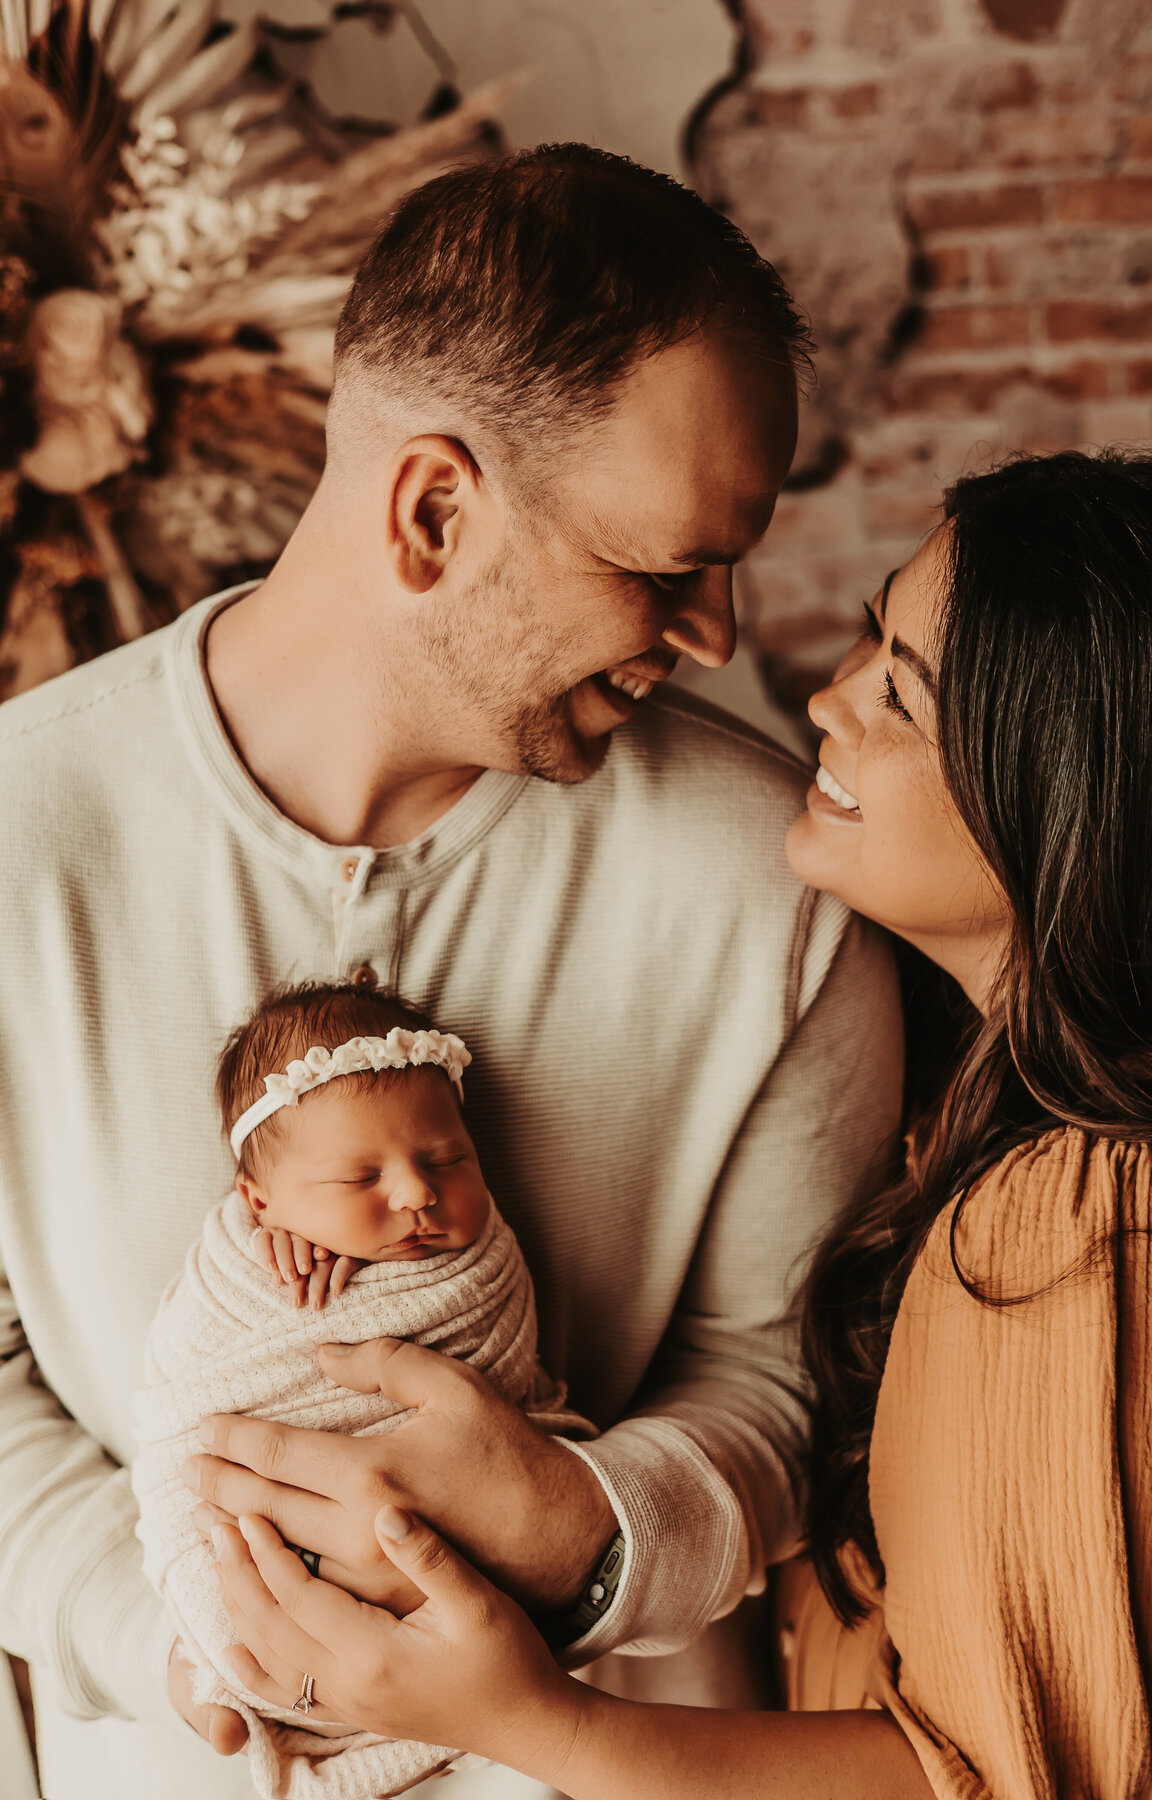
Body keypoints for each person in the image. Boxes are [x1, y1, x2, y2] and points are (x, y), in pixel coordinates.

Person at [0, 145, 902, 1800]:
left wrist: (597, 1528)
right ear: (432, 510)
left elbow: (784, 1386)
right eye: (664, 568)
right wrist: (195, 1644)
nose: (716, 631)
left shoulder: (782, 884)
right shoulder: (14, 836)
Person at [214, 449, 1152, 1799]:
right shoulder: (988, 1110)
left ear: (1065, 789)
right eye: (866, 637)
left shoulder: (1105, 1211)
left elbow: (1003, 1779)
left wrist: (531, 1716)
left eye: (901, 692)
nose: (825, 696)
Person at [133, 980, 590, 1800]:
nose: (418, 1193)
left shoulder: (481, 1266)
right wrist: (277, 1268)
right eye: (357, 1179)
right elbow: (183, 1407)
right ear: (259, 1204)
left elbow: (508, 1389)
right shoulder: (238, 1273)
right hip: (274, 1558)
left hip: (472, 1588)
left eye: (447, 1159)